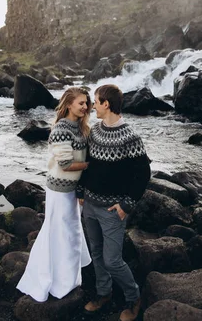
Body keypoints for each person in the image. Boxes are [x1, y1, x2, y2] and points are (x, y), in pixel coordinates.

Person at [77, 84, 151, 321]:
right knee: (96, 253)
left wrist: (126, 205)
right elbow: (88, 164)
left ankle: (133, 298)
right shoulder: (96, 131)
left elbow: (143, 174)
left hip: (112, 211)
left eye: (96, 102)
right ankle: (104, 293)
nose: (92, 106)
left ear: (106, 103)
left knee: (112, 260)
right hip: (89, 205)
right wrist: (80, 191)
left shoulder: (130, 136)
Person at [16, 87, 92, 302]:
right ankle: (58, 281)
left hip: (73, 189)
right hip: (60, 190)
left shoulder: (80, 127)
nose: (85, 107)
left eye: (86, 103)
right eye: (81, 103)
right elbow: (66, 164)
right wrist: (92, 166)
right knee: (61, 233)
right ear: (69, 104)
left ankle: (69, 276)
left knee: (69, 233)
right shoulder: (61, 129)